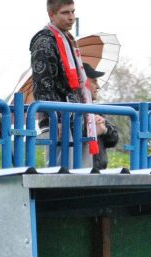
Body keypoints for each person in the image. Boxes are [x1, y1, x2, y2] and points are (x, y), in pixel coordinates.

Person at [30, 0, 99, 164]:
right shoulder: (44, 42)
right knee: (62, 170)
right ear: (51, 14)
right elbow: (43, 86)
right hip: (59, 121)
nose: (71, 17)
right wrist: (56, 120)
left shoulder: (68, 40)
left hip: (75, 117)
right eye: (65, 12)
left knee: (81, 170)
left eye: (73, 12)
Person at [83, 63, 118, 172]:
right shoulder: (70, 110)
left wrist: (104, 130)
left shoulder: (95, 110)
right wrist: (90, 131)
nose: (98, 86)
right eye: (94, 81)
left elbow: (114, 139)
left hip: (99, 170)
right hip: (82, 172)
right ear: (82, 82)